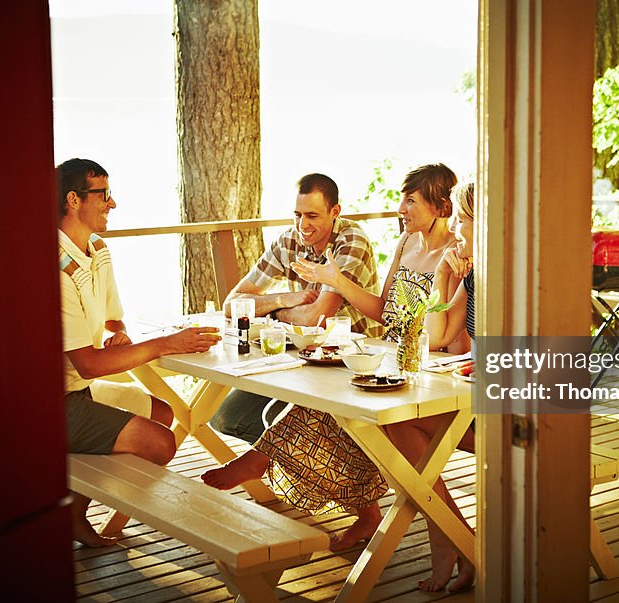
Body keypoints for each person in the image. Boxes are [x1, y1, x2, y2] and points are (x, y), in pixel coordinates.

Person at [202, 164, 459, 552]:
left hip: (403, 364)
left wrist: (330, 287)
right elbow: (386, 311)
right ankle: (369, 512)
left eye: (410, 200)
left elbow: (439, 335)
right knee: (286, 413)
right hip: (377, 356)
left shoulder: (452, 254)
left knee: (317, 414)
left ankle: (261, 459)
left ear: (440, 206)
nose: (400, 209)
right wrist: (315, 291)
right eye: (402, 199)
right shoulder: (407, 244)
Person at [57, 158, 221, 547]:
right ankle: (70, 505)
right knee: (159, 442)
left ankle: (74, 512)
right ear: (73, 200)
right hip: (52, 405)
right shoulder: (55, 270)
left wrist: (121, 334)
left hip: (78, 390)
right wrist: (166, 344)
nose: (112, 204)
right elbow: (89, 363)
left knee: (166, 413)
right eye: (104, 195)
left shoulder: (96, 250)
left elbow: (114, 321)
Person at [209, 173, 381, 445]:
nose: (302, 225)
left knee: (272, 421)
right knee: (226, 419)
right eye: (297, 214)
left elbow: (316, 318)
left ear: (335, 211)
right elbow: (233, 304)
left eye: (312, 215)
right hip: (300, 358)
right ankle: (308, 458)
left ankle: (332, 457)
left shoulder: (350, 241)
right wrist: (282, 300)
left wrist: (275, 314)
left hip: (350, 362)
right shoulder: (289, 241)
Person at [390, 181, 477, 592]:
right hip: (479, 397)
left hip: (522, 415)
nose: (455, 230)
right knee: (397, 427)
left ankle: (450, 542)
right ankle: (454, 539)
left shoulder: (514, 281)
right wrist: (443, 275)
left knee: (400, 427)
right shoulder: (473, 278)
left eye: (462, 221)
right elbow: (438, 335)